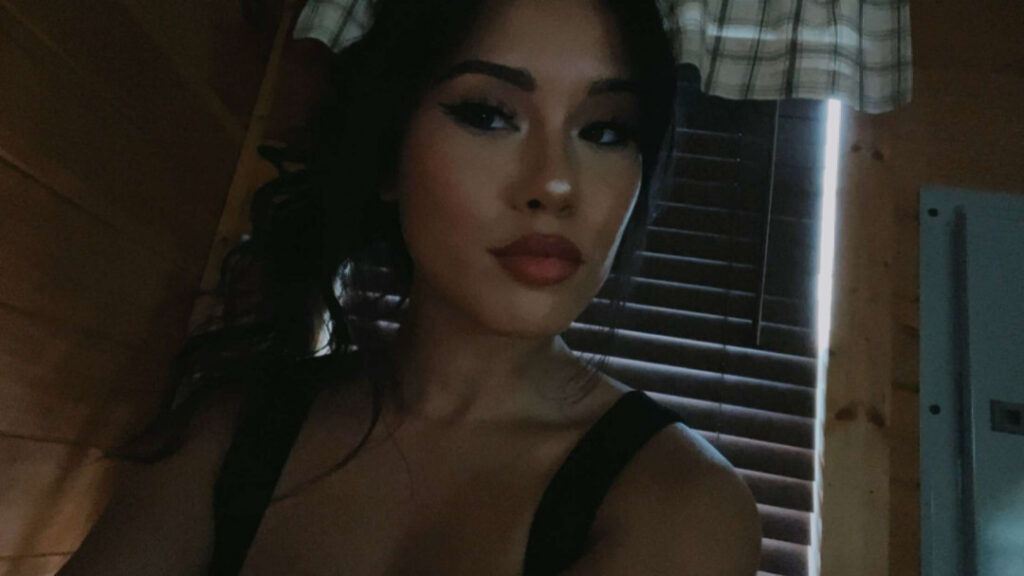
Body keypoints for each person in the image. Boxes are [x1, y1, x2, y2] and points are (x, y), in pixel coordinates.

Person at [57, 0, 762, 574]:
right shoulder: (230, 431)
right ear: (388, 153)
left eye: (606, 130)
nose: (554, 183)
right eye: (488, 114)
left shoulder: (680, 502)